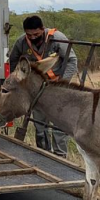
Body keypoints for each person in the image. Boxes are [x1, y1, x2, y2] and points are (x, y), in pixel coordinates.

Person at [8, 16, 77, 157]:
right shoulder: (22, 41)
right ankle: (43, 154)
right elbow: (13, 60)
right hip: (38, 91)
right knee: (40, 124)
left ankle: (60, 156)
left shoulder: (57, 38)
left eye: (36, 34)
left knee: (59, 125)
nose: (33, 38)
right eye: (29, 35)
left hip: (57, 88)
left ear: (42, 29)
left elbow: (71, 60)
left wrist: (63, 82)